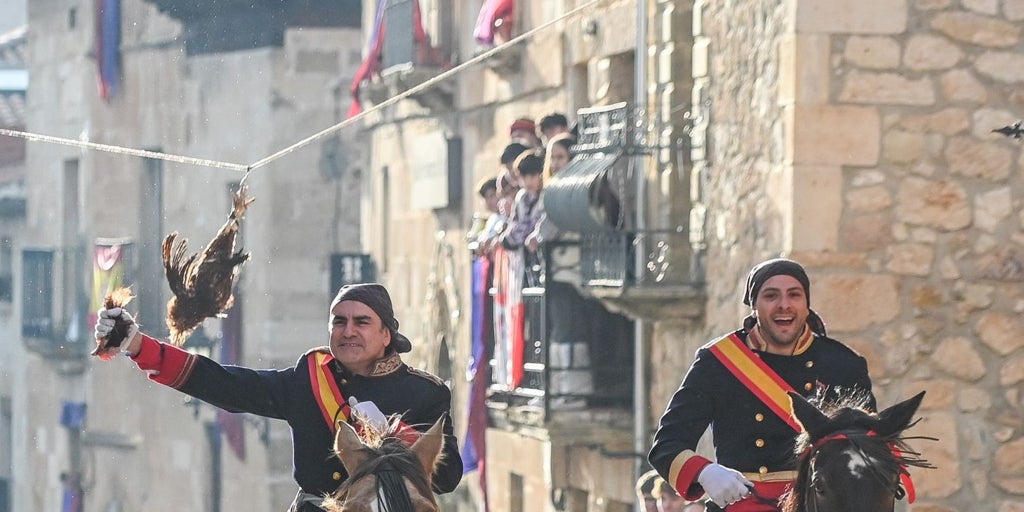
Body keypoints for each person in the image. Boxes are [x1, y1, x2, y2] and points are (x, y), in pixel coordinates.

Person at [94, 283, 463, 512]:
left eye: (361, 322)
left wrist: (398, 437)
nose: (348, 331)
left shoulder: (425, 392)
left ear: (386, 335)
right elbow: (226, 384)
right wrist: (138, 345)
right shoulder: (309, 380)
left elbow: (447, 478)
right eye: (339, 321)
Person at [648, 258, 875, 512]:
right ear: (754, 305)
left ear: (806, 304)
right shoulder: (720, 361)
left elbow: (869, 449)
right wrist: (706, 472)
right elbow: (667, 446)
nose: (784, 305)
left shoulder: (843, 364)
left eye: (794, 295)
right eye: (771, 296)